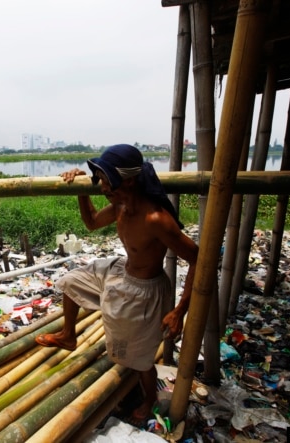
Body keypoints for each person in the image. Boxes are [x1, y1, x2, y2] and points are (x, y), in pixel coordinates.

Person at [35, 143, 198, 423]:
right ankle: (69, 335)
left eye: (106, 179)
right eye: (99, 179)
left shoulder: (156, 219)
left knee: (139, 358)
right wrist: (81, 190)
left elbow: (197, 259)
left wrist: (179, 311)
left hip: (144, 289)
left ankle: (149, 399)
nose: (102, 186)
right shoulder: (120, 205)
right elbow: (91, 222)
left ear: (130, 180)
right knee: (71, 281)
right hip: (121, 270)